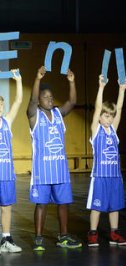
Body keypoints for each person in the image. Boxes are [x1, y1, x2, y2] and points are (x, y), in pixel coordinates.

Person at [27, 65, 81, 250]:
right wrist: (37, 79)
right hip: (42, 171)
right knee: (41, 204)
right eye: (45, 97)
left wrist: (71, 82)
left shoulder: (59, 113)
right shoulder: (34, 115)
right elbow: (32, 99)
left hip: (59, 170)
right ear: (39, 100)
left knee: (63, 203)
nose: (49, 100)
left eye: (51, 97)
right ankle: (39, 238)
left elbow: (72, 102)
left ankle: (63, 236)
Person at [86, 75, 126, 247]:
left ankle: (114, 234)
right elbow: (97, 108)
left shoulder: (113, 130)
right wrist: (101, 87)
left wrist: (122, 90)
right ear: (100, 117)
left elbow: (119, 108)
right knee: (97, 207)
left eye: (111, 116)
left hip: (115, 176)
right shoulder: (96, 130)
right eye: (106, 115)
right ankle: (93, 234)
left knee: (115, 207)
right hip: (100, 176)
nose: (109, 119)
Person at [0, 69, 23, 253]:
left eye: (1, 105)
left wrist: (19, 80)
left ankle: (6, 239)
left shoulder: (7, 121)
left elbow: (19, 101)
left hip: (6, 173)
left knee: (6, 207)